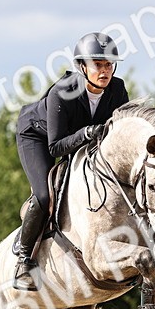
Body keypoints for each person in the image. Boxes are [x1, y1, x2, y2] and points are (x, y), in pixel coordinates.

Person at [12, 32, 130, 291]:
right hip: (37, 136)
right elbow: (56, 145)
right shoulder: (61, 92)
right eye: (98, 65)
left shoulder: (118, 90)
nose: (105, 71)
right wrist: (87, 133)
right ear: (82, 67)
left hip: (75, 141)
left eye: (109, 64)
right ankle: (23, 260)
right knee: (45, 195)